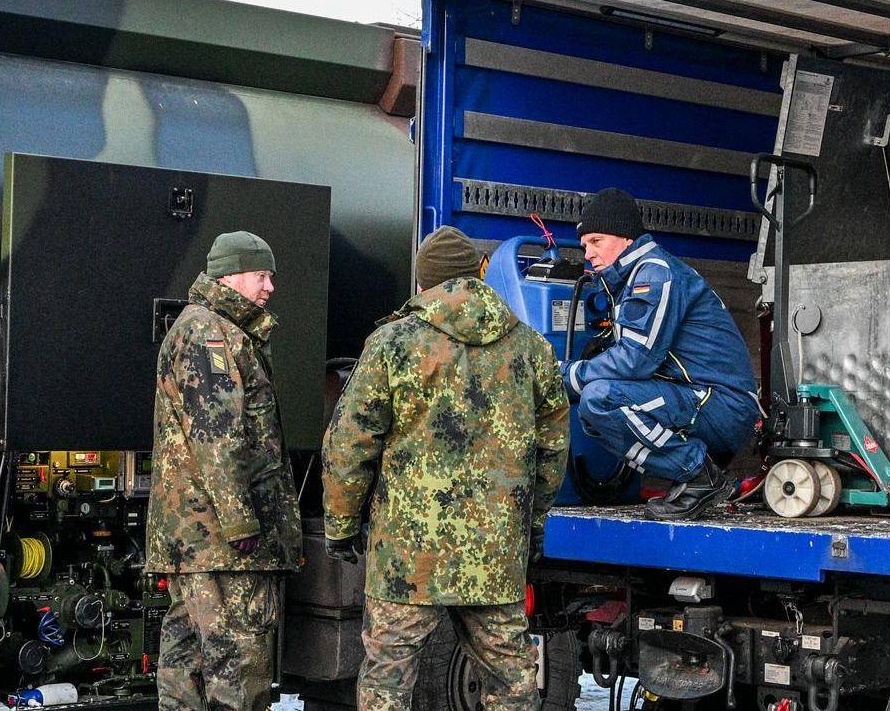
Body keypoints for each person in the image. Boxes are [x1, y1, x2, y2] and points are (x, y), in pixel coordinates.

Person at [323, 225, 570, 711]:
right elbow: (553, 448)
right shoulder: (530, 348)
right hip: (495, 554)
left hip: (407, 561)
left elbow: (349, 445)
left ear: (423, 284)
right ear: (480, 276)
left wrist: (342, 525)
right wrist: (532, 525)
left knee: (386, 686)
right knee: (512, 685)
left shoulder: (393, 343)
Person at [144, 230, 302, 711]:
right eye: (261, 275)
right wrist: (240, 521)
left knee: (188, 660)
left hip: (200, 540)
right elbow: (217, 434)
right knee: (238, 661)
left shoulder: (211, 329)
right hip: (221, 542)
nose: (269, 286)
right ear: (230, 275)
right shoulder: (211, 335)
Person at [567, 188, 759, 520]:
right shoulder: (633, 276)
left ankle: (698, 473)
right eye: (585, 245)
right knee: (593, 405)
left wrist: (567, 375)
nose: (588, 254)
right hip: (703, 398)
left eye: (596, 241)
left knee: (600, 398)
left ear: (626, 237)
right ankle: (694, 474)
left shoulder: (654, 273)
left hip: (721, 404)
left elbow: (635, 360)